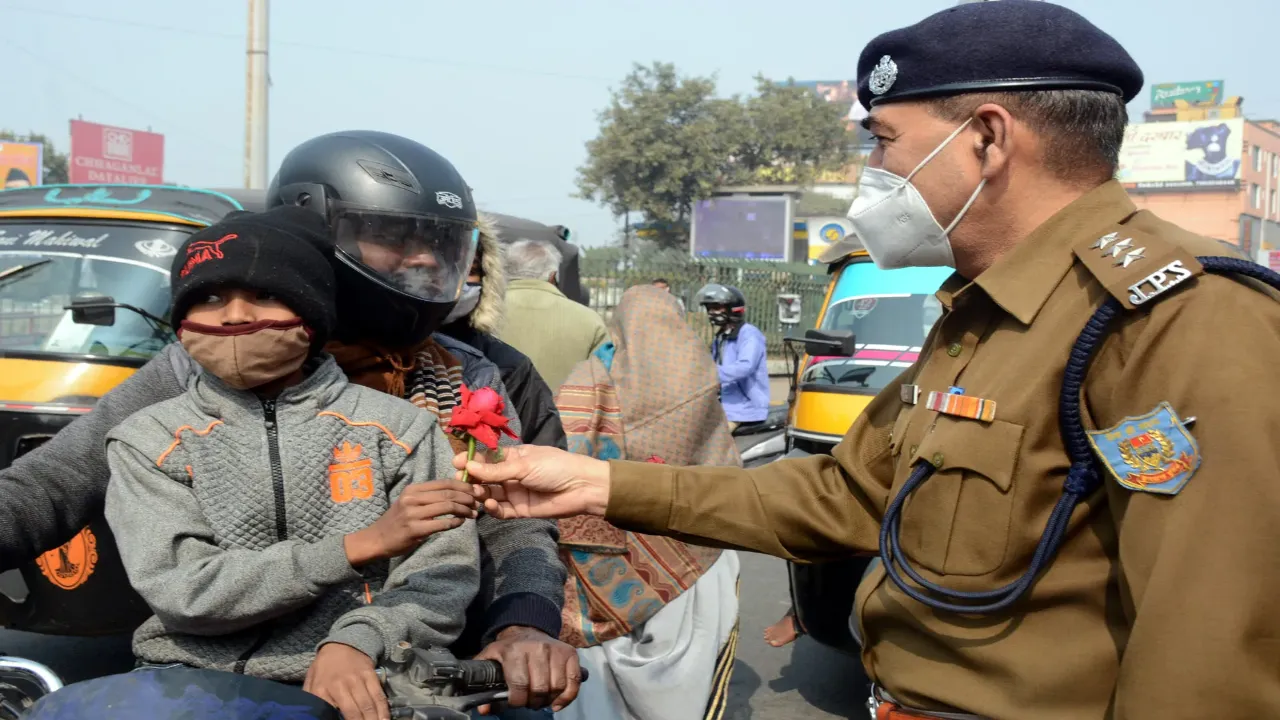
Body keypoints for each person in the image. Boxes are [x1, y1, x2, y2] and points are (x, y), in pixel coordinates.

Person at [453, 2, 1280, 718]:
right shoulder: (984, 312)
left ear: (988, 139)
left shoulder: (1176, 317)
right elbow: (845, 496)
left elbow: (1210, 649)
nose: (872, 172)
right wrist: (598, 484)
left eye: (885, 142)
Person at [0, 131, 579, 717]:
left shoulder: (478, 369)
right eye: (394, 238)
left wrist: (522, 624)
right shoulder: (205, 370)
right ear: (319, 237)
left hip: (416, 660)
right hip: (221, 672)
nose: (425, 259)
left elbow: (518, 521)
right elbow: (52, 483)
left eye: (437, 243)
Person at [103, 207, 480, 718]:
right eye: (209, 298)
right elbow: (183, 590)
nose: (235, 316)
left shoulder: (400, 428)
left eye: (265, 294)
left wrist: (358, 641)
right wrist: (357, 546)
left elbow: (442, 577)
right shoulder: (149, 439)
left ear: (313, 309)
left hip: (372, 675)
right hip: (190, 679)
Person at [551, 285, 740, 720]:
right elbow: (723, 463)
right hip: (695, 549)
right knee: (694, 659)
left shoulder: (590, 376)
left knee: (598, 669)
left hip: (602, 559)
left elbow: (566, 444)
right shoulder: (697, 372)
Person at [441, 215, 567, 452]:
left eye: (471, 270)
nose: (456, 281)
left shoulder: (506, 366)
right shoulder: (366, 356)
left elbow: (545, 453)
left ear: (488, 279)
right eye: (446, 266)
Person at [499, 238, 609, 392]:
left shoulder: (483, 311)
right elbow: (604, 380)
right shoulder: (590, 320)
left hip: (491, 413)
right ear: (553, 276)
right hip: (563, 415)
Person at [695, 284, 768, 430]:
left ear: (733, 309)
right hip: (722, 406)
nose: (712, 313)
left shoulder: (749, 334)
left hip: (743, 409)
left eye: (717, 307)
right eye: (709, 308)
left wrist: (711, 373)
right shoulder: (722, 336)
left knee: (712, 442)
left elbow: (745, 367)